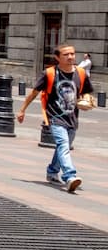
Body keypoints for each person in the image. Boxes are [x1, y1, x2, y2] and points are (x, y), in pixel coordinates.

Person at [18, 44, 94, 193]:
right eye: (66, 54)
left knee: (63, 147)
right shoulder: (49, 73)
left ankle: (52, 171)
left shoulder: (80, 73)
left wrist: (86, 101)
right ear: (57, 57)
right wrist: (22, 110)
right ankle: (70, 176)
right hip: (55, 117)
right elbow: (34, 93)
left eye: (72, 53)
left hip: (72, 118)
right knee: (64, 144)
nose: (71, 57)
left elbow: (86, 92)